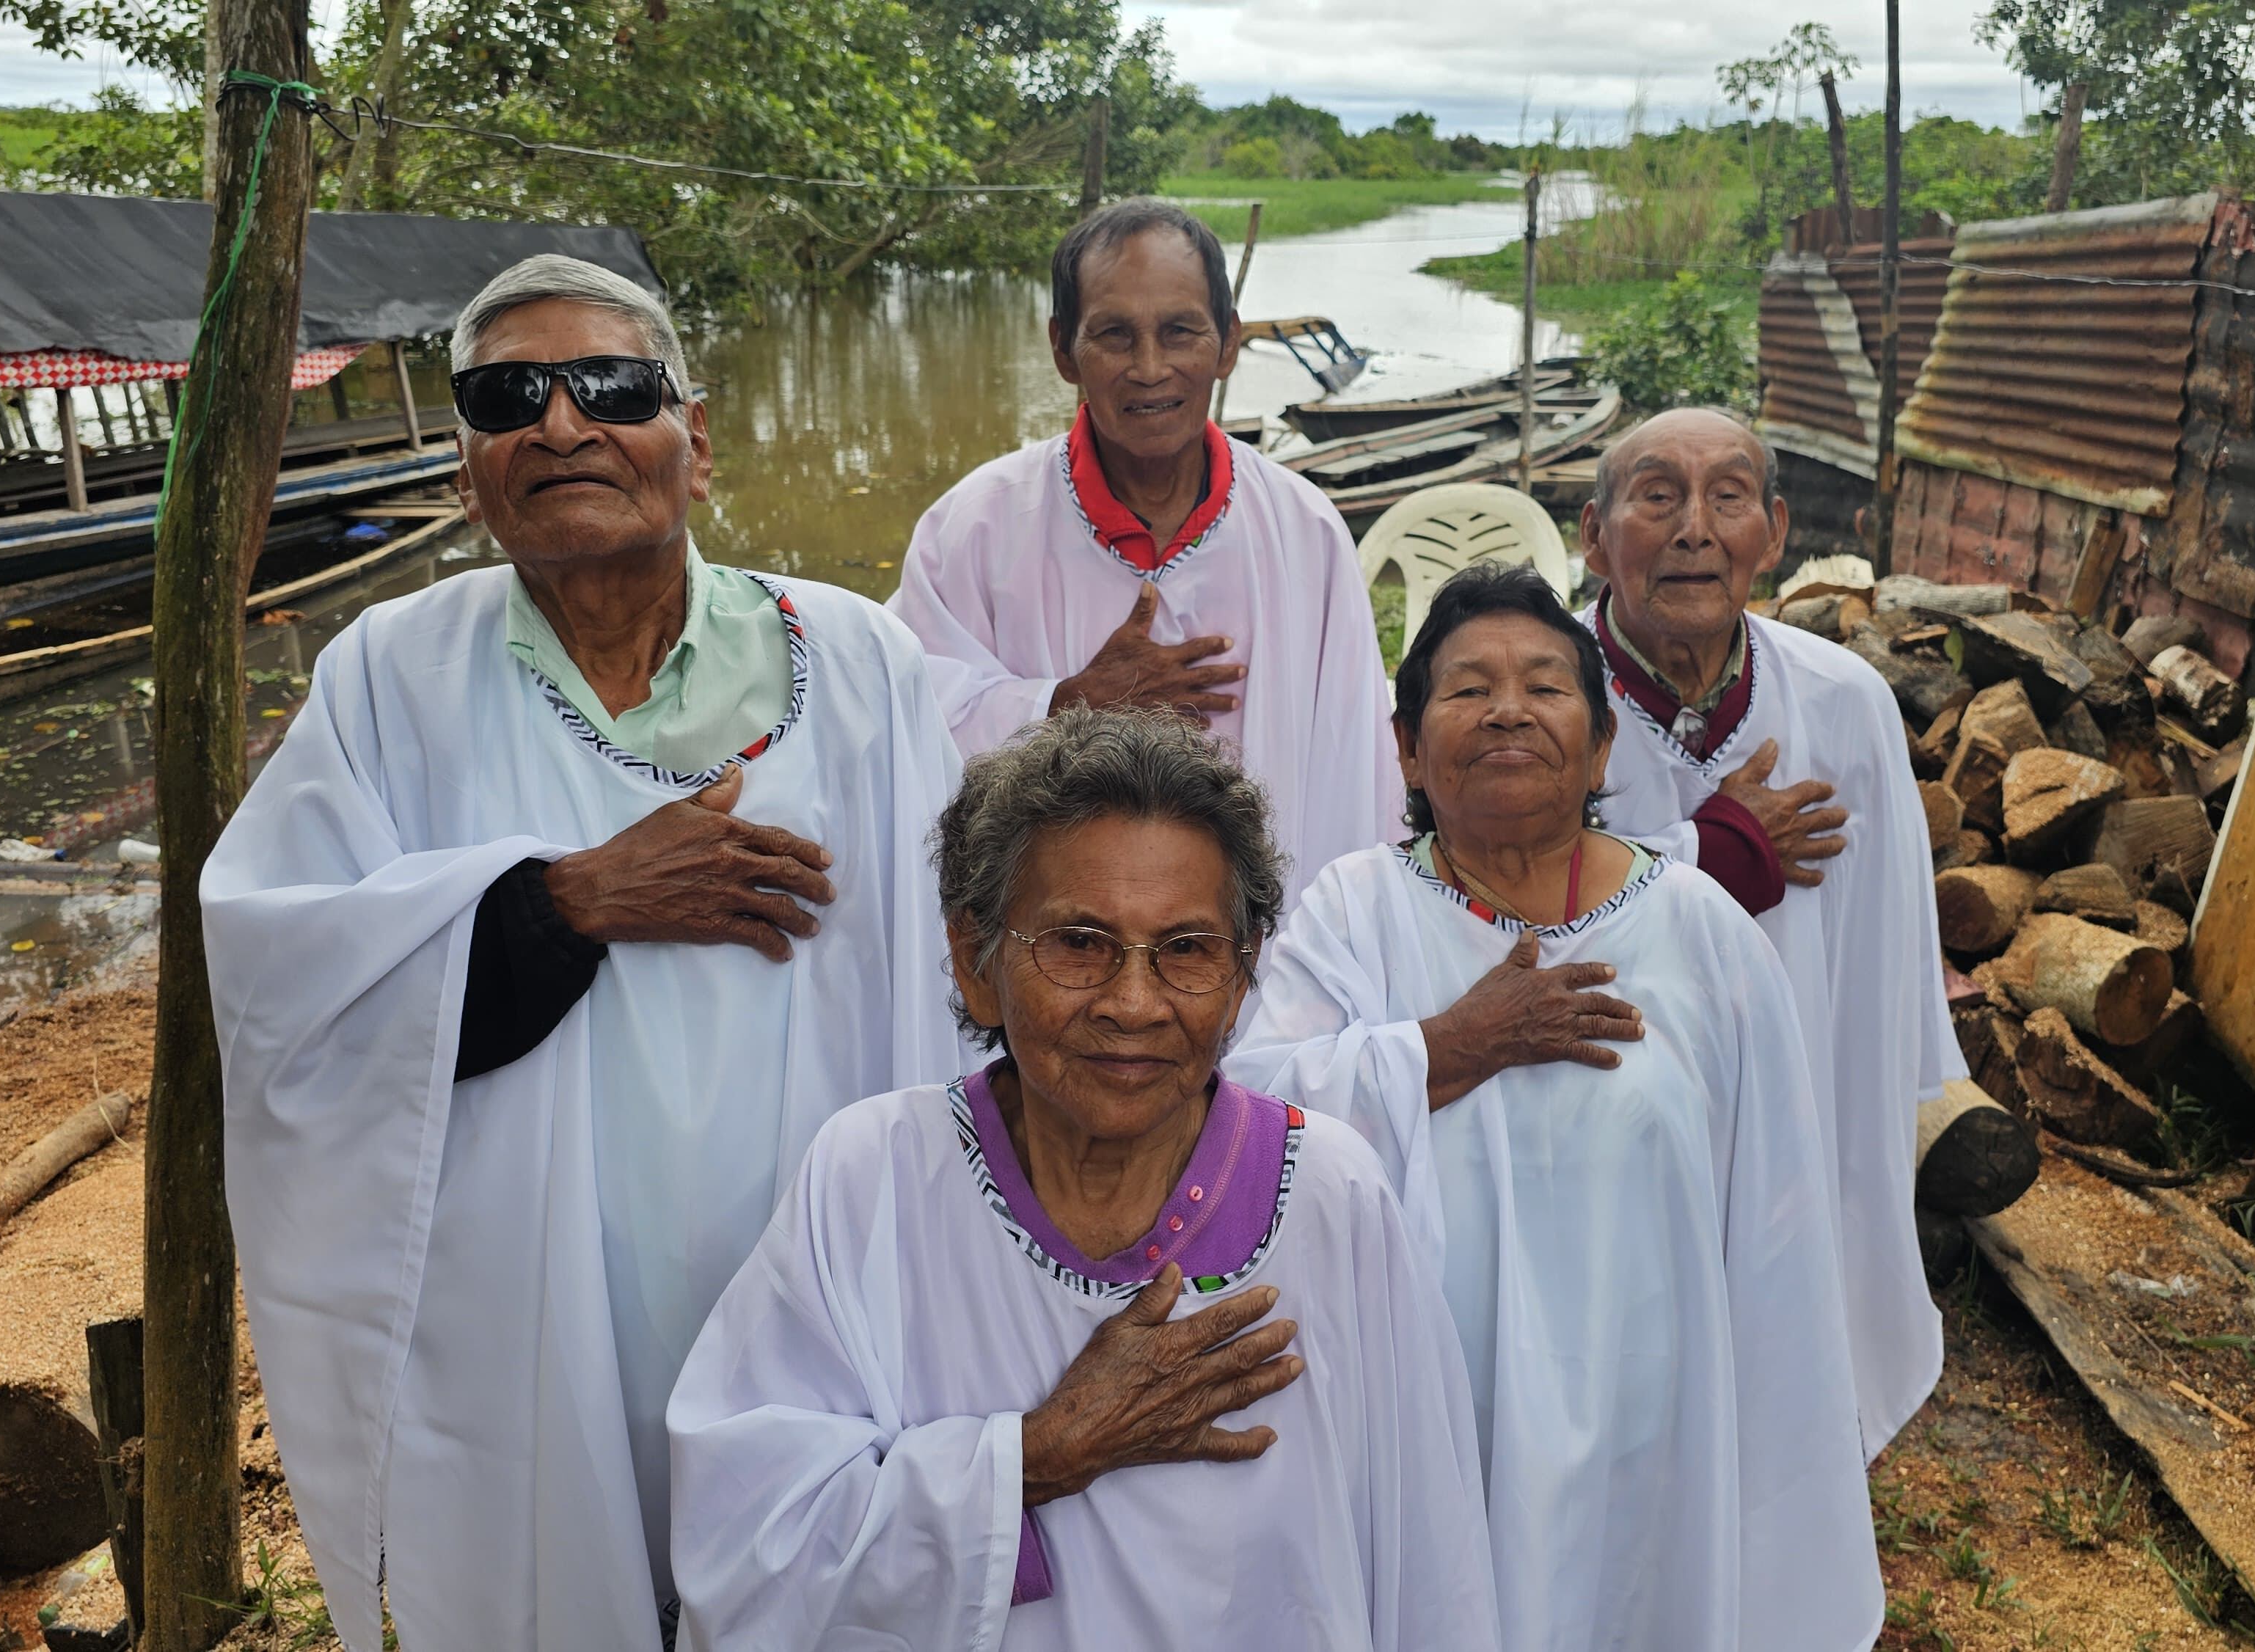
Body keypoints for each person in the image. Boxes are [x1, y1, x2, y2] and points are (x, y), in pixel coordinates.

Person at [202, 254, 963, 1651]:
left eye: (611, 386)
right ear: (466, 467)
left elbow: (958, 965)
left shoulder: (860, 664)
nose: (561, 425)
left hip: (818, 1260)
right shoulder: (387, 676)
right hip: (535, 1306)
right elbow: (281, 993)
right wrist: (568, 901)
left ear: (699, 438)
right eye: (508, 397)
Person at [665, 708, 1500, 1651]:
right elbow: (745, 1540)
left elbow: (1433, 1567)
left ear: (1241, 975)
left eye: (1186, 949)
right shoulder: (875, 1174)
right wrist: (1039, 1453)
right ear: (975, 961)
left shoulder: (1329, 1192)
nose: (1134, 1002)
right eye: (1078, 942)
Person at [1228, 563, 1883, 1652]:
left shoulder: (1700, 931)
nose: (1507, 711)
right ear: (1407, 748)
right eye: (1467, 688)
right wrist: (1450, 1046)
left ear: (1601, 746)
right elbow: (1248, 1114)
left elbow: (1775, 1221)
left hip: (1654, 1420)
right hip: (1432, 1422)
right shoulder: (1354, 912)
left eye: (1544, 685)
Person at [1582, 407, 1960, 1455]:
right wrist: (1706, 851)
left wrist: (1864, 1133)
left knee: (1784, 1395)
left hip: (1794, 1105)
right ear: (1593, 532)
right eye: (1656, 496)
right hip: (1601, 1114)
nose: (1695, 529)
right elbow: (1502, 918)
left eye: (1729, 497)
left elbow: (1878, 960)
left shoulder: (1844, 705)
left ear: (1776, 531)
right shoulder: (1538, 702)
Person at [888, 198, 1396, 888]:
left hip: (1268, 954)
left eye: (1181, 331)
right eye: (1115, 335)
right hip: (1052, 937)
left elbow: (1355, 770)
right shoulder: (974, 530)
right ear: (1064, 350)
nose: (1151, 368)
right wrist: (1066, 705)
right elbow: (902, 724)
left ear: (1228, 345)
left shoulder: (1305, 532)